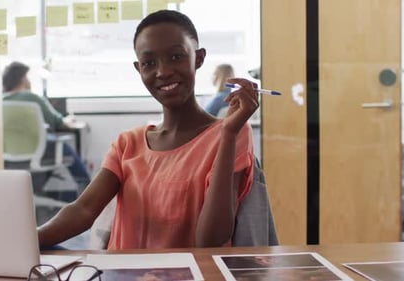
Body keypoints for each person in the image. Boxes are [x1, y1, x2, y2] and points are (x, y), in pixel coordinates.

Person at [38, 9, 259, 249]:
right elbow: (83, 210)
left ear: (199, 58)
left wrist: (227, 135)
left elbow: (210, 240)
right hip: (122, 274)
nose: (163, 72)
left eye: (176, 57)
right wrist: (22, 241)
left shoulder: (231, 133)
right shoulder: (127, 144)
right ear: (138, 68)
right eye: (149, 63)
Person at [2, 62, 91, 198]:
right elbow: (58, 122)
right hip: (36, 154)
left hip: (7, 158)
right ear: (23, 79)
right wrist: (68, 120)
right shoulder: (32, 98)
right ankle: (87, 187)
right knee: (63, 147)